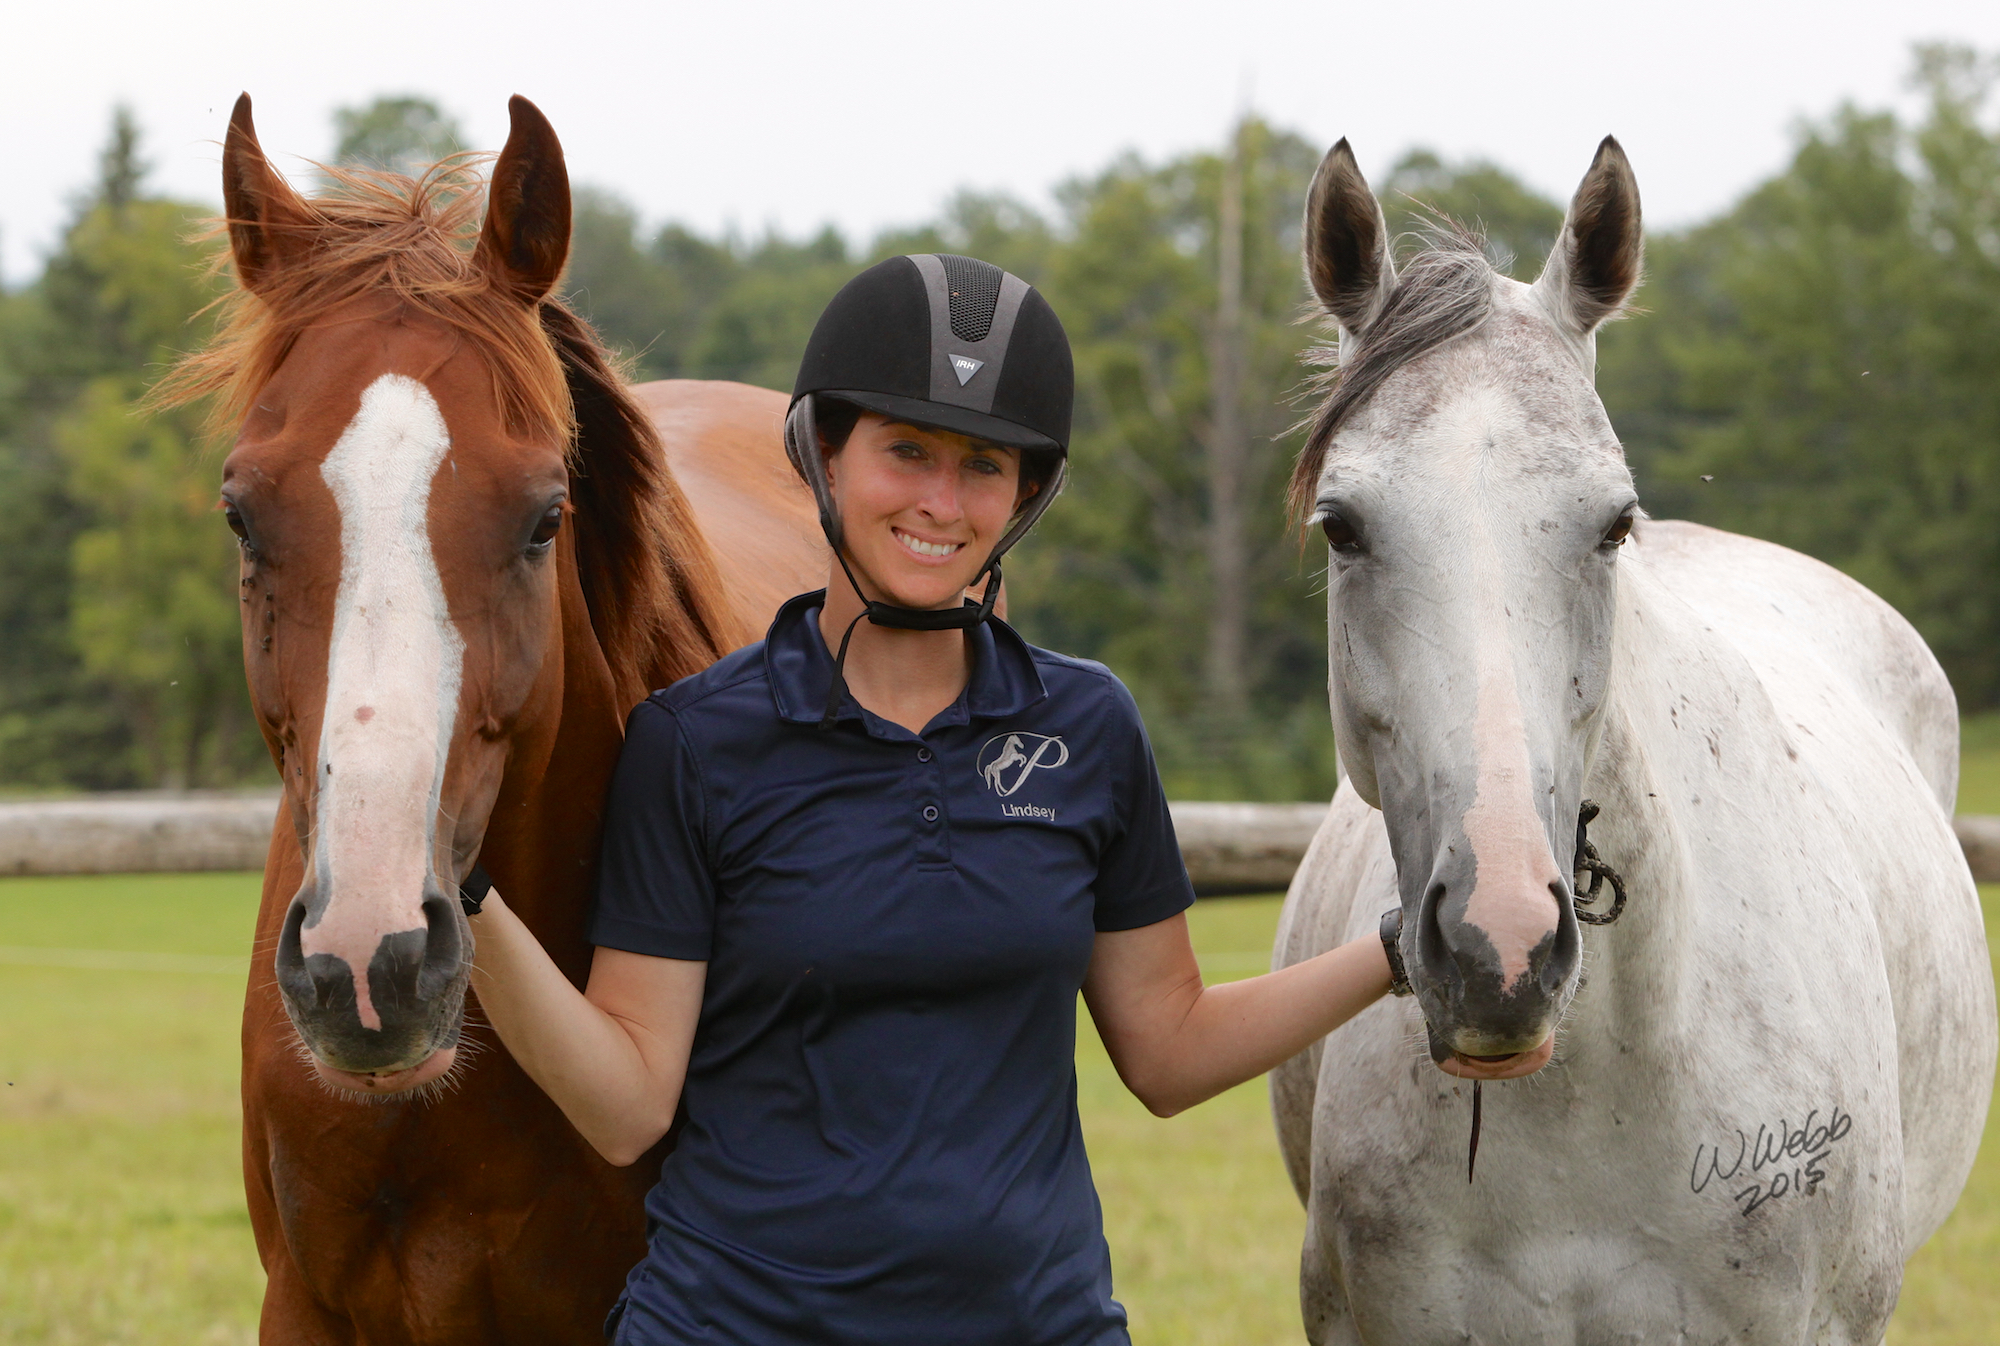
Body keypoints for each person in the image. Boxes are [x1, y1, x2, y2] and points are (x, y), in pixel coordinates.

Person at [466, 255, 1397, 1345]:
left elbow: (1170, 1047)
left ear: (1024, 493)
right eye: (904, 452)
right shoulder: (694, 742)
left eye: (983, 466)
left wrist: (1398, 950)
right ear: (823, 453)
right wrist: (463, 894)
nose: (939, 504)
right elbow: (625, 1105)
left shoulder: (1087, 727)